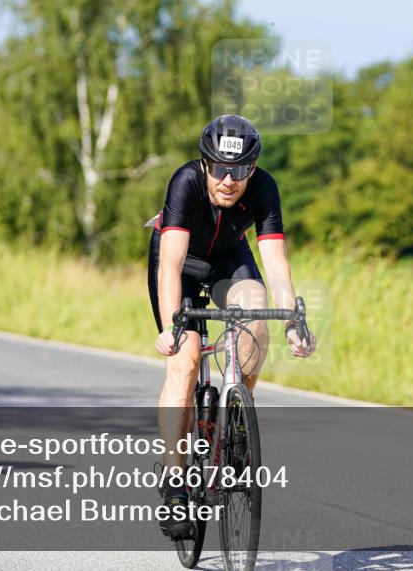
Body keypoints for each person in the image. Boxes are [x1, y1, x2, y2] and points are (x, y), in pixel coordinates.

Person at [147, 115, 316, 537]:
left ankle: (236, 413)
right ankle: (174, 486)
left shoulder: (265, 188)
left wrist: (294, 321)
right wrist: (173, 326)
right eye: (220, 168)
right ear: (205, 164)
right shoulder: (185, 181)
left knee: (255, 312)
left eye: (240, 170)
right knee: (185, 364)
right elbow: (169, 265)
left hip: (228, 257)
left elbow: (275, 263)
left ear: (252, 169)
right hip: (182, 264)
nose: (229, 179)